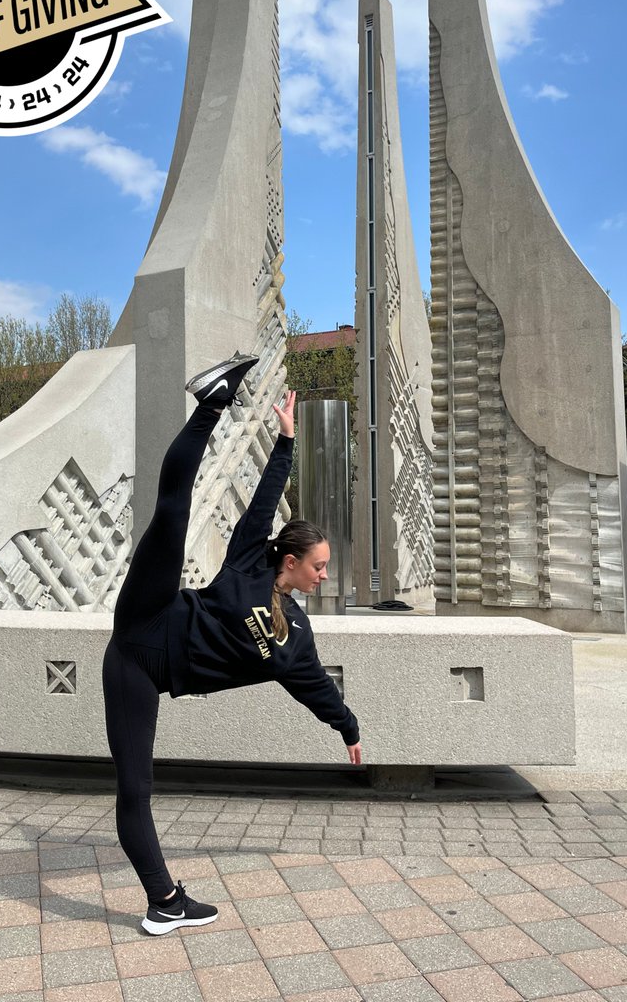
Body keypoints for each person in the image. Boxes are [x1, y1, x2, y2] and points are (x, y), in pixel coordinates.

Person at [102, 354, 362, 936]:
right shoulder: (250, 558)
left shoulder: (294, 639)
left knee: (135, 789)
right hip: (148, 613)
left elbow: (317, 688)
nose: (324, 576)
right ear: (290, 562)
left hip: (139, 671)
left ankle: (163, 901)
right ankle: (213, 401)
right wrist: (287, 440)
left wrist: (347, 727)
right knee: (172, 512)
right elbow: (266, 500)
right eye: (318, 567)